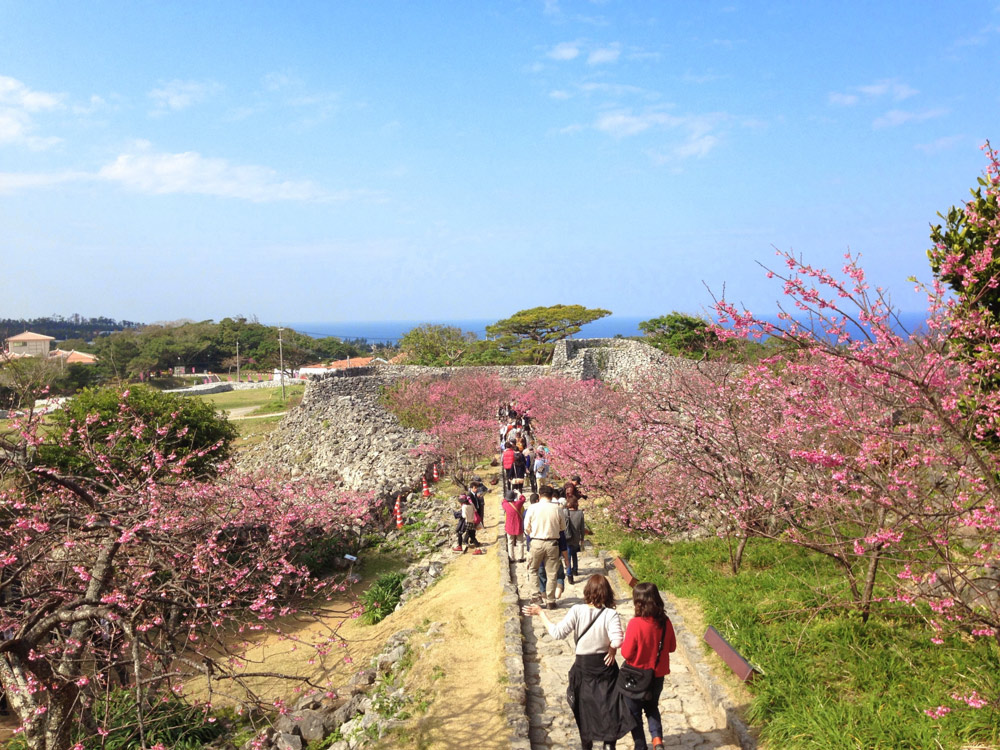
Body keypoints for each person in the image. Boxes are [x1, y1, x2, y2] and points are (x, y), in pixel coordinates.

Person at [522, 575, 635, 749]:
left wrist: (541, 613)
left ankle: (587, 744)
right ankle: (608, 744)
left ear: (587, 591)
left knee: (585, 709)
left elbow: (557, 633)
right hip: (605, 666)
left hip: (584, 668)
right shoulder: (610, 614)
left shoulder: (577, 610)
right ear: (607, 593)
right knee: (609, 706)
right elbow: (618, 641)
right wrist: (612, 648)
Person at [620, 582, 677, 750]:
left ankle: (640, 744)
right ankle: (657, 740)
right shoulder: (665, 622)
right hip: (657, 675)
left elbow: (626, 653)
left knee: (634, 713)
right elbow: (672, 647)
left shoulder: (635, 624)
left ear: (638, 602)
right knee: (652, 707)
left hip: (636, 676)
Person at [524, 485, 565, 608]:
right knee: (552, 573)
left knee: (533, 569)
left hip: (536, 542)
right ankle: (550, 600)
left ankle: (536, 596)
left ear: (539, 495)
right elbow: (563, 527)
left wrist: (534, 534)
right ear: (552, 495)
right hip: (552, 543)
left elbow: (526, 528)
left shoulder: (532, 508)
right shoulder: (557, 508)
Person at [565, 495, 586, 584]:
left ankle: (570, 575)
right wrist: (582, 538)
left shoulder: (565, 512)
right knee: (574, 554)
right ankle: (575, 570)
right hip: (576, 538)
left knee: (568, 557)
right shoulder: (580, 513)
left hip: (568, 537)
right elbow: (582, 527)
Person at [502, 489, 526, 562]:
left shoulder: (505, 505)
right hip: (518, 525)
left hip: (509, 526)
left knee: (510, 542)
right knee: (520, 542)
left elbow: (503, 501)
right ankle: (520, 557)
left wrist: (508, 494)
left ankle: (511, 557)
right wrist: (518, 492)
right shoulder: (518, 504)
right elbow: (523, 498)